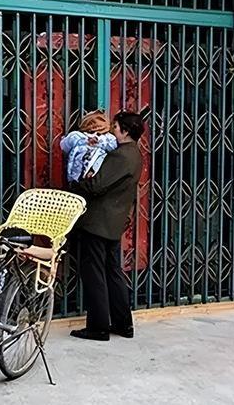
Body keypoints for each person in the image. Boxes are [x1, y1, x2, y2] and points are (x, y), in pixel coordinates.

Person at [68, 111, 145, 341]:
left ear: (125, 131)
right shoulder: (135, 154)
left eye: (116, 126)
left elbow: (97, 185)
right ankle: (123, 324)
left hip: (98, 222)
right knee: (113, 272)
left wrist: (79, 181)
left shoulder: (121, 156)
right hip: (112, 223)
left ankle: (98, 327)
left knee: (95, 274)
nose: (112, 129)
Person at [60, 110, 117, 183]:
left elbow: (113, 146)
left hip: (94, 176)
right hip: (77, 177)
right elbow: (65, 145)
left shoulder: (107, 139)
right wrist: (84, 141)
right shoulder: (77, 137)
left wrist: (98, 141)